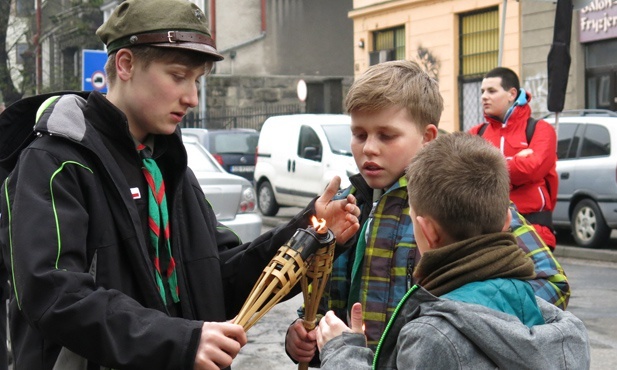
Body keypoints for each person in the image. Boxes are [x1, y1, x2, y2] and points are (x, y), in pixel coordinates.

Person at [0, 0, 360, 369]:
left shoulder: (170, 169)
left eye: (197, 81)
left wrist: (306, 234)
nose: (192, 97)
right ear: (125, 65)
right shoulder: (54, 162)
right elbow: (54, 294)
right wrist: (181, 341)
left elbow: (218, 280)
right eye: (177, 76)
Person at [285, 60, 570, 366]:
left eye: (386, 135)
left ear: (428, 137)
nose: (369, 148)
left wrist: (456, 331)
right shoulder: (345, 205)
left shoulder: (456, 198)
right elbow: (322, 292)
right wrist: (305, 332)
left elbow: (552, 284)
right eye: (359, 134)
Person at [315, 132, 590, 369]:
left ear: (428, 231)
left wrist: (342, 352)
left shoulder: (430, 337)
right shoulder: (553, 321)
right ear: (507, 221)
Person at [469, 67, 558, 250]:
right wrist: (515, 161)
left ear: (512, 94)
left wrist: (487, 170)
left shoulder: (540, 129)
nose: (484, 96)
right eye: (482, 91)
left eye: (492, 91)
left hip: (534, 230)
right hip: (488, 234)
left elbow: (533, 168)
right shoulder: (476, 133)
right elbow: (465, 175)